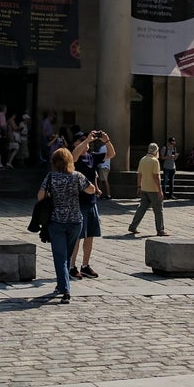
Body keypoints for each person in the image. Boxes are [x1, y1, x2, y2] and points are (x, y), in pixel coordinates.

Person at [37, 146, 94, 304]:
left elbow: (40, 196)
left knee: (60, 257)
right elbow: (92, 189)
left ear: (54, 162)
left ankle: (65, 290)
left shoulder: (51, 177)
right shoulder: (77, 176)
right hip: (75, 221)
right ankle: (62, 285)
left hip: (57, 221)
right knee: (67, 256)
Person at [69, 129, 116, 278]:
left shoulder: (92, 157)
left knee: (90, 235)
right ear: (76, 142)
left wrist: (106, 140)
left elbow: (111, 154)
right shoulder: (74, 156)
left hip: (91, 202)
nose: (88, 140)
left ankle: (85, 265)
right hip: (78, 202)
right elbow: (74, 157)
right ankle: (71, 266)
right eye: (81, 138)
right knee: (77, 236)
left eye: (87, 138)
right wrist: (86, 141)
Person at [128, 142, 168, 236]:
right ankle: (160, 230)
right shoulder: (154, 161)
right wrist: (160, 190)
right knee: (158, 210)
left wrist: (139, 186)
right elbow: (156, 176)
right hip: (153, 189)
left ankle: (133, 226)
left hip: (144, 188)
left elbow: (139, 174)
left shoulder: (143, 159)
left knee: (141, 208)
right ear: (156, 151)